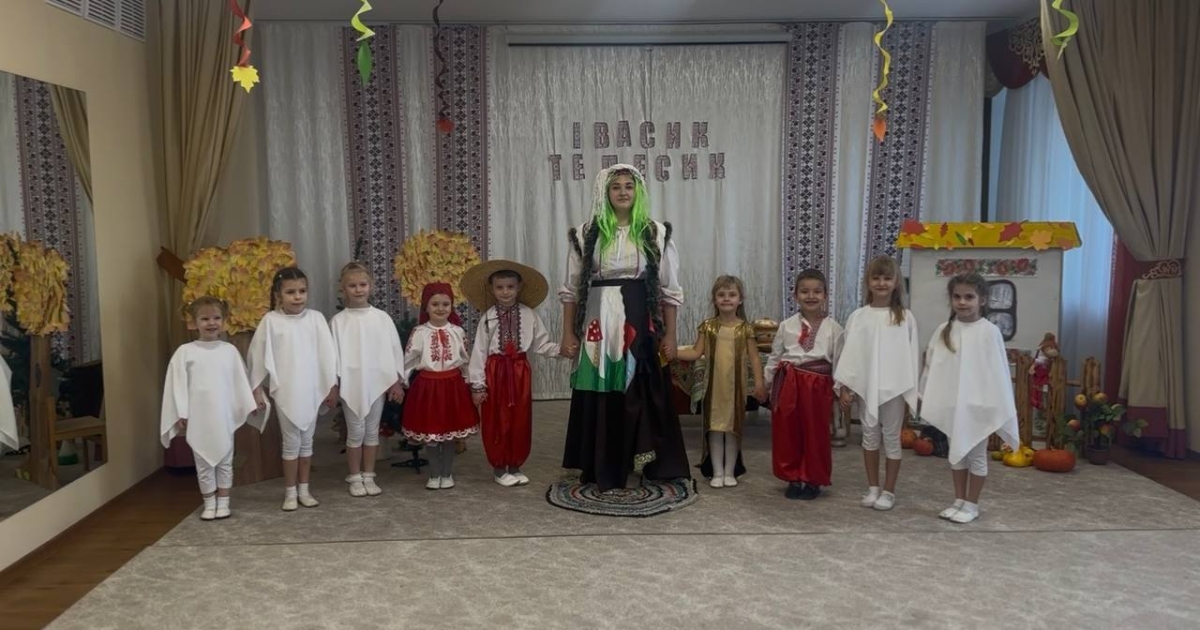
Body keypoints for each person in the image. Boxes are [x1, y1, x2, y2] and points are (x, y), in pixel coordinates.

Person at [558, 163, 690, 491]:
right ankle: (604, 464)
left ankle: (647, 460)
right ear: (605, 193)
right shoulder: (586, 233)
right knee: (604, 389)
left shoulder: (654, 232)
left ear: (638, 191)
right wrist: (568, 332)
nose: (622, 192)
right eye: (615, 187)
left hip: (639, 320)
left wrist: (671, 334)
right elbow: (571, 289)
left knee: (640, 389)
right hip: (599, 322)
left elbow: (669, 290)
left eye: (628, 186)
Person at [921, 272, 1020, 524]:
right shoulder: (944, 330)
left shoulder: (989, 331)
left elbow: (996, 372)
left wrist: (991, 403)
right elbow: (933, 366)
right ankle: (959, 500)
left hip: (978, 406)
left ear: (982, 299)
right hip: (953, 404)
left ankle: (972, 504)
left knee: (975, 455)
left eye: (969, 297)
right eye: (957, 297)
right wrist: (929, 394)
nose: (962, 302)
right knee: (956, 453)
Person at [161, 297, 266, 520]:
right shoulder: (185, 352)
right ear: (193, 323)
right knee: (203, 460)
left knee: (225, 459)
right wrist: (181, 411)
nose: (211, 323)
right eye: (205, 318)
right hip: (199, 415)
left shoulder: (229, 351)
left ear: (224, 321)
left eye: (216, 318)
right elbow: (177, 385)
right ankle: (209, 502)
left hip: (223, 414)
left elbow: (240, 380)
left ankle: (224, 501)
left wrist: (249, 402)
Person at [247, 267, 338, 512]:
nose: (297, 297)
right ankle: (289, 492)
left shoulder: (316, 319)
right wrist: (256, 389)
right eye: (290, 292)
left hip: (311, 388)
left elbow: (328, 354)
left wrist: (331, 385)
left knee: (307, 442)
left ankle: (304, 489)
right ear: (278, 295)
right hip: (286, 389)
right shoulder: (270, 321)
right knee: (290, 443)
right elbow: (257, 356)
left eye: (302, 291)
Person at [464, 260, 561, 487]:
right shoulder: (488, 317)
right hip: (495, 371)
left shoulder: (529, 315)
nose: (505, 292)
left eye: (510, 287)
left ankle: (516, 465)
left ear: (519, 288)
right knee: (496, 419)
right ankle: (499, 468)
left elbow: (542, 344)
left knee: (520, 418)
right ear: (492, 289)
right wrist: (478, 384)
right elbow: (479, 351)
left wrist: (562, 350)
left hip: (519, 371)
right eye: (500, 287)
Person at [834, 256, 919, 511]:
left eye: (887, 278)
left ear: (896, 282)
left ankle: (889, 491)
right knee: (869, 437)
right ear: (868, 282)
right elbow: (850, 353)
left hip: (894, 388)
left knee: (891, 438)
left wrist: (911, 390)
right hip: (866, 387)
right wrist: (845, 386)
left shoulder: (905, 317)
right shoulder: (858, 316)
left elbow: (911, 355)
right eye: (876, 278)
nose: (881, 283)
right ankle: (873, 487)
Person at [677, 275, 765, 489]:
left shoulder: (746, 329)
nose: (726, 299)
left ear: (740, 300)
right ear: (714, 299)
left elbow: (754, 358)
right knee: (715, 429)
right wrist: (673, 353)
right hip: (713, 389)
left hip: (736, 391)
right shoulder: (708, 327)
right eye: (721, 295)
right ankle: (717, 472)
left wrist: (759, 383)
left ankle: (729, 471)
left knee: (732, 430)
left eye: (732, 295)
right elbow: (696, 352)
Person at [764, 269, 842, 500]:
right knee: (788, 431)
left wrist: (841, 390)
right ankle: (793, 477)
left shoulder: (834, 328)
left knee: (815, 433)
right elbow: (775, 357)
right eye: (805, 291)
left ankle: (812, 479)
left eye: (817, 291)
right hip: (788, 383)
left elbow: (839, 362)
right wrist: (765, 383)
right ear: (795, 295)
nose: (811, 296)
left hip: (818, 387)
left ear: (825, 295)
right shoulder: (786, 325)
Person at [330, 262, 406, 498]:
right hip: (351, 382)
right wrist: (334, 384)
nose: (358, 289)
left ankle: (369, 475)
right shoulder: (338, 321)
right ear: (343, 288)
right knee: (355, 431)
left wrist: (395, 381)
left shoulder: (381, 318)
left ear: (370, 286)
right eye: (352, 286)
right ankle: (354, 476)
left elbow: (393, 350)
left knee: (372, 431)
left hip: (375, 381)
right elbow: (331, 356)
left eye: (363, 284)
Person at [401, 282, 478, 490]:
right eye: (435, 304)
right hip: (428, 387)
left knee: (449, 434)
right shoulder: (419, 332)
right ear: (426, 306)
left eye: (446, 304)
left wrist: (470, 382)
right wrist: (403, 381)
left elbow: (465, 359)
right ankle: (434, 474)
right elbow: (409, 359)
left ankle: (447, 473)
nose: (441, 308)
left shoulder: (457, 331)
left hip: (453, 387)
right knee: (431, 433)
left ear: (451, 306)